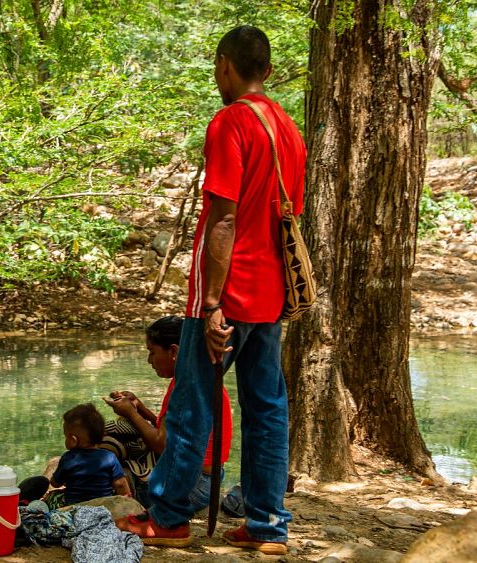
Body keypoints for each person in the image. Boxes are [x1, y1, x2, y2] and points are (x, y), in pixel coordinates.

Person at [117, 25, 305, 554]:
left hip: (227, 293)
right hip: (271, 297)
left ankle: (170, 517)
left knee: (193, 405)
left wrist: (213, 301)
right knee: (267, 409)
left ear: (225, 66)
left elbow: (223, 219)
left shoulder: (230, 121)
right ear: (266, 71)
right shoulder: (289, 130)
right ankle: (268, 527)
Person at [99, 315, 233, 511]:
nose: (149, 360)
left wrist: (131, 414)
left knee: (111, 457)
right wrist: (141, 410)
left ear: (173, 351)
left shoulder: (187, 386)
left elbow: (163, 445)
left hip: (196, 486)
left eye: (152, 353)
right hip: (206, 479)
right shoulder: (192, 376)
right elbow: (178, 431)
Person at [47, 403, 131, 508]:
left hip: (76, 509)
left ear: (73, 440)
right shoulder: (109, 457)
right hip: (103, 508)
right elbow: (120, 484)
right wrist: (128, 504)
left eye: (66, 436)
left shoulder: (68, 458)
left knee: (53, 497)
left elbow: (55, 484)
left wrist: (54, 479)